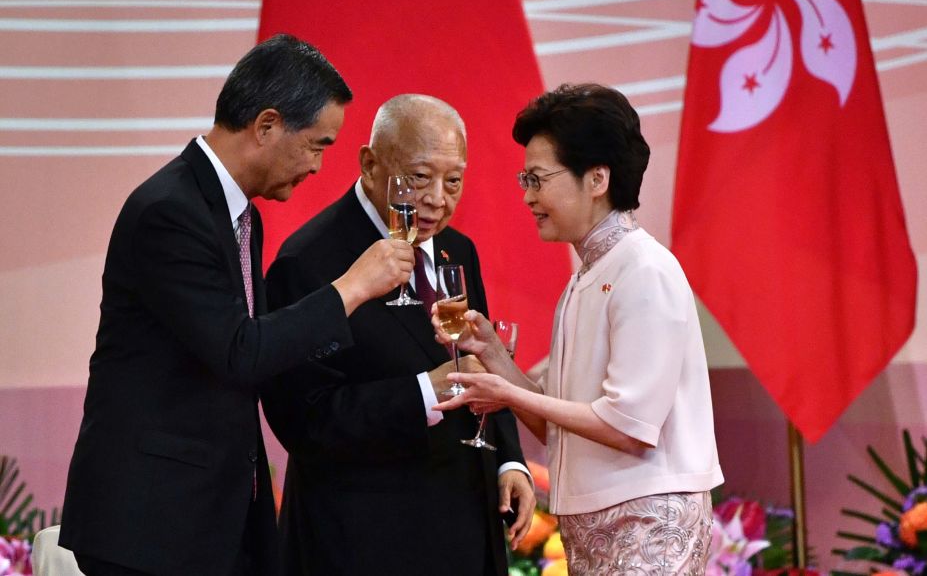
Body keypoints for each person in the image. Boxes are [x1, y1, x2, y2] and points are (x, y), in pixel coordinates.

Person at [58, 34, 415, 576]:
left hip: (210, 518)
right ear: (267, 126)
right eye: (317, 144)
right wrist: (353, 286)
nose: (319, 166)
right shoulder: (170, 211)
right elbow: (239, 350)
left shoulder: (235, 216)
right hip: (150, 525)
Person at [433, 84, 724, 575]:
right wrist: (496, 359)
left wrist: (509, 391)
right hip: (594, 524)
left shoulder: (644, 269)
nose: (527, 196)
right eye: (525, 179)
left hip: (646, 522)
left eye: (538, 179)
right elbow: (559, 428)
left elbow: (628, 428)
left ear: (597, 178)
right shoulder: (587, 276)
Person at [260, 94, 535, 576]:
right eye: (419, 176)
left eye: (454, 181)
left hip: (466, 532)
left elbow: (480, 364)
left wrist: (510, 463)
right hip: (363, 541)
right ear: (370, 164)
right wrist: (426, 391)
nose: (436, 199)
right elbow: (305, 420)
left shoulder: (457, 250)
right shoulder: (308, 262)